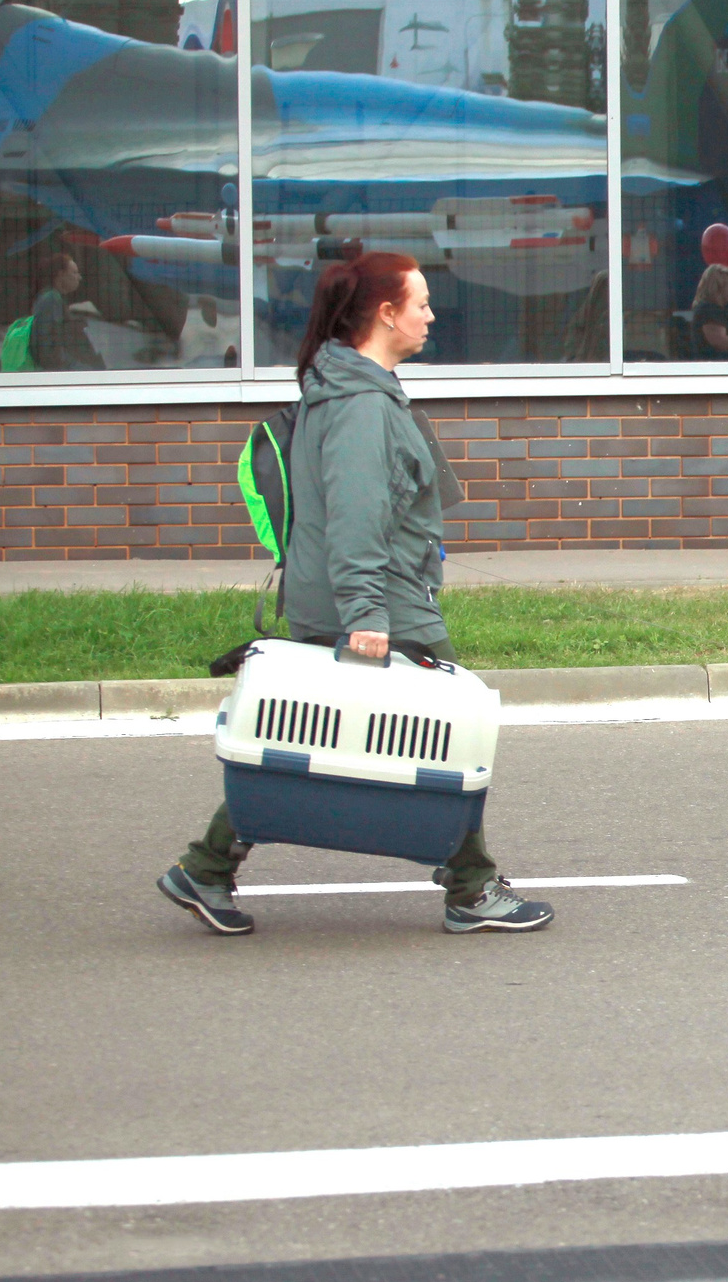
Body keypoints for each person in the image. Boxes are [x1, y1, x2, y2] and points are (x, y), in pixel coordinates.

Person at [156, 252, 555, 935]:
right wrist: (369, 613)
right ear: (386, 313)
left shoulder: (344, 388)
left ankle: (208, 865)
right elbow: (356, 515)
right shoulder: (363, 404)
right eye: (421, 302)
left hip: (347, 596)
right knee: (455, 734)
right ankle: (472, 887)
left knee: (291, 739)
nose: (432, 315)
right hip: (381, 602)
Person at [29, 254, 104, 371]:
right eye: (74, 272)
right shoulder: (51, 299)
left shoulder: (53, 298)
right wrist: (78, 370)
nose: (79, 277)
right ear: (61, 274)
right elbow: (47, 349)